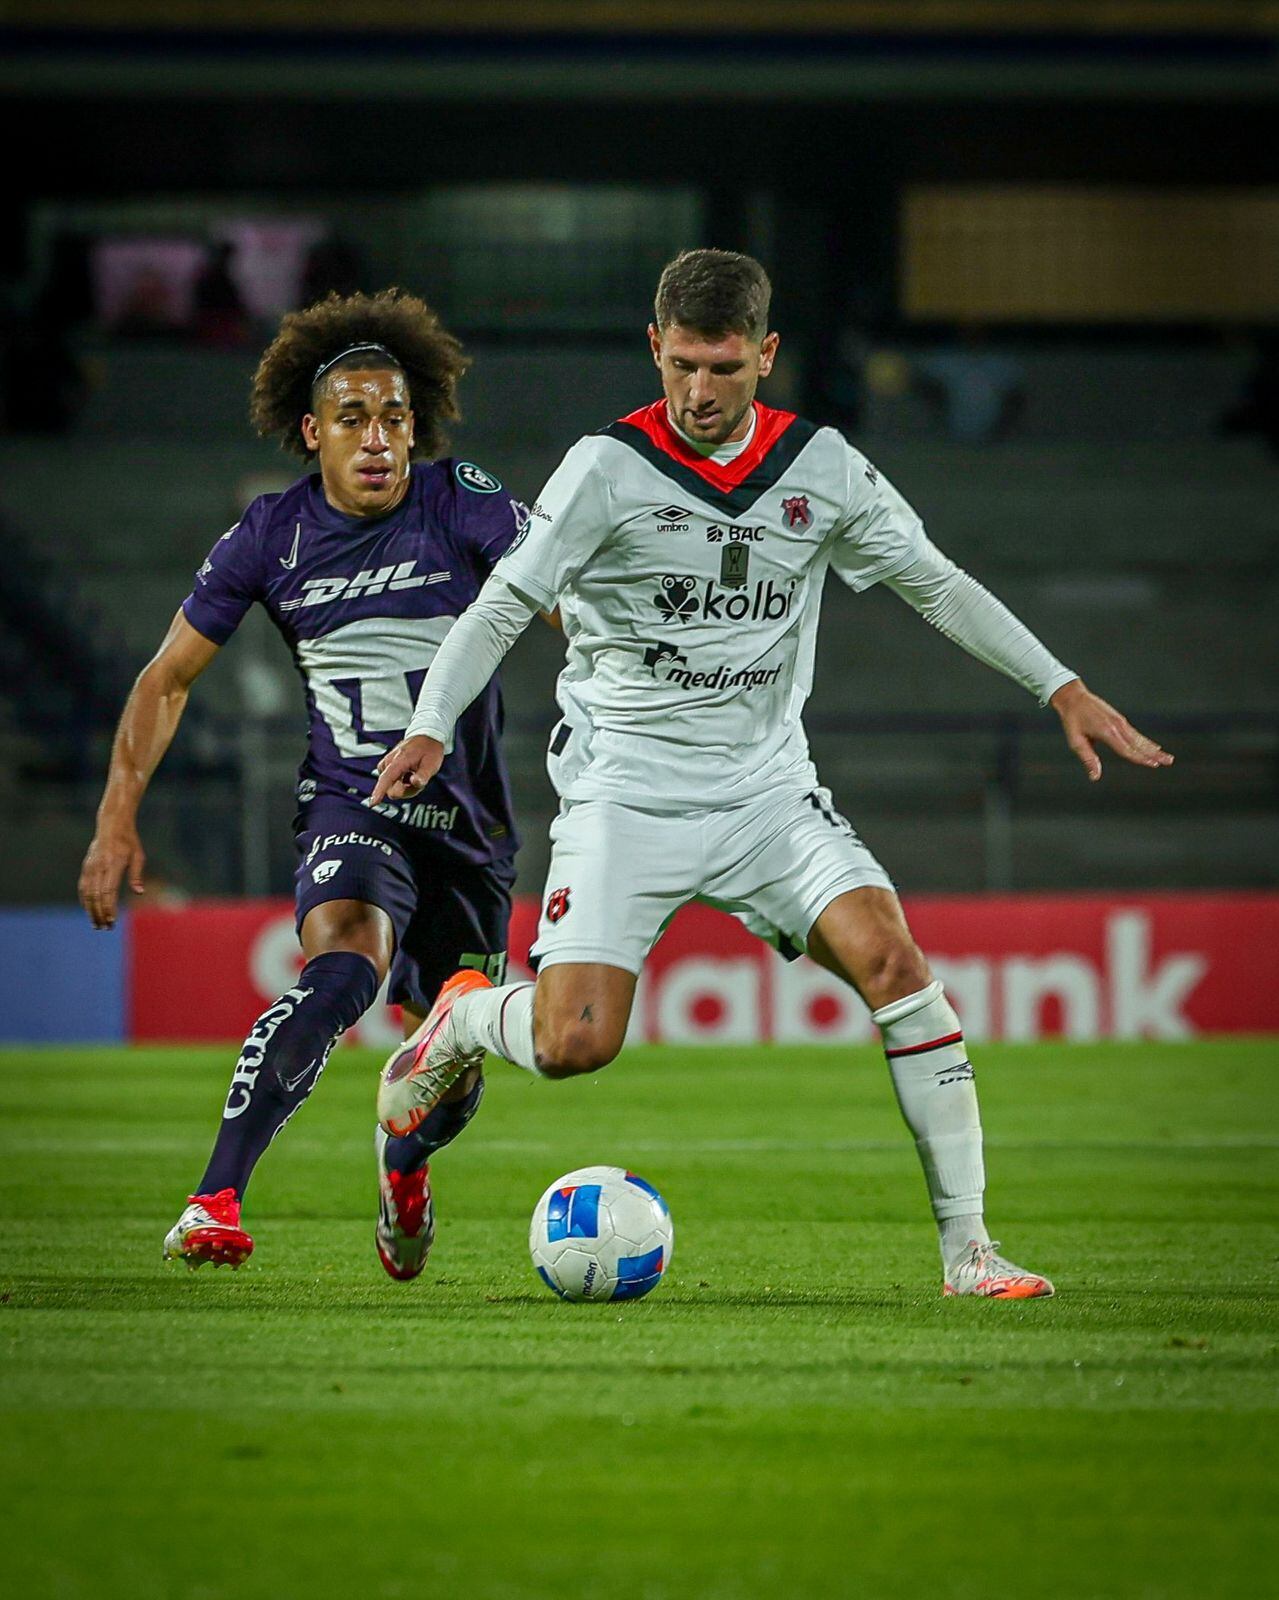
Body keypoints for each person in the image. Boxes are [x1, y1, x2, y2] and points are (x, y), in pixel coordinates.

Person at [370, 249, 1176, 1300]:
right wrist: (432, 722)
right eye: (682, 367)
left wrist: (1058, 686)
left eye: (723, 368)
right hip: (625, 792)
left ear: (765, 354)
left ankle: (968, 1250)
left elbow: (933, 583)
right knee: (573, 1045)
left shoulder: (822, 467)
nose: (700, 393)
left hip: (765, 796)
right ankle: (468, 1015)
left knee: (895, 964)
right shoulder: (604, 469)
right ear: (653, 347)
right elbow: (503, 606)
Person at [79, 288, 530, 1279]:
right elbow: (167, 678)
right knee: (338, 974)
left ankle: (401, 1168)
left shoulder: (465, 499)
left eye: (396, 417)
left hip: (469, 830)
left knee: (447, 1069)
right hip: (352, 805)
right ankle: (214, 1197)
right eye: (354, 418)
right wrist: (116, 820)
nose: (378, 440)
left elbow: (554, 591)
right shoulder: (270, 536)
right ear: (310, 431)